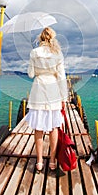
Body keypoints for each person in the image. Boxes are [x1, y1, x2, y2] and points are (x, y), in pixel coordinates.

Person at [25, 27, 68, 173]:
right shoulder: (58, 53)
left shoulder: (34, 52)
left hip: (38, 90)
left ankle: (39, 161)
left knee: (38, 128)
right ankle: (52, 161)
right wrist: (64, 97)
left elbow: (30, 74)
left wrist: (34, 64)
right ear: (52, 38)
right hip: (53, 91)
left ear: (40, 38)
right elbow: (62, 77)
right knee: (53, 127)